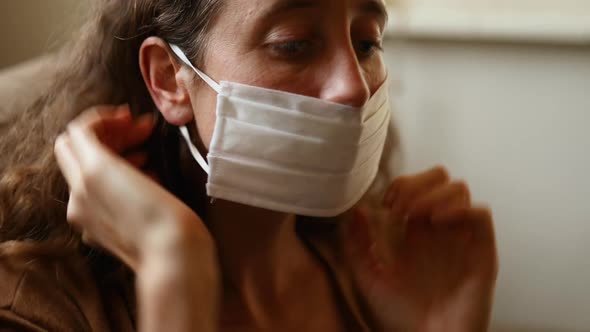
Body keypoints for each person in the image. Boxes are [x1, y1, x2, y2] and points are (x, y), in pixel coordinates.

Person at [0, 0, 498, 331]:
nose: (355, 86)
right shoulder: (33, 304)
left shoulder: (379, 270)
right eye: (293, 44)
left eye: (366, 42)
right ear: (170, 80)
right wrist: (173, 266)